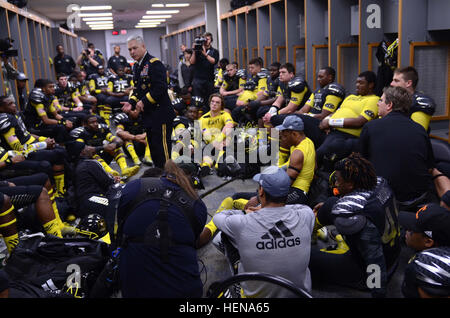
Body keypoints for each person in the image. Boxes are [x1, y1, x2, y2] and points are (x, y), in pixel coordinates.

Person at [213, 166, 315, 297]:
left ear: (261, 191)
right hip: (300, 295)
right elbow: (301, 207)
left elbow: (218, 217)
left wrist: (246, 212)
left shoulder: (243, 223)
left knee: (222, 236)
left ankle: (238, 288)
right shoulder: (306, 215)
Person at [309, 153, 401, 298]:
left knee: (307, 257)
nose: (336, 184)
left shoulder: (360, 216)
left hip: (366, 271)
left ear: (351, 184)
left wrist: (378, 292)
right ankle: (310, 233)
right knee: (329, 204)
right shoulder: (380, 183)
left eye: (339, 180)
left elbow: (375, 260)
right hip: (393, 250)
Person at [117, 160, 207, 298]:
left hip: (133, 287)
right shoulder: (198, 207)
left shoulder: (134, 187)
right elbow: (193, 241)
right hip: (183, 291)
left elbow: (121, 229)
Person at [359, 86, 434, 209]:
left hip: (383, 199)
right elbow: (429, 167)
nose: (377, 104)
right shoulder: (420, 129)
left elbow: (360, 163)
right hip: (417, 198)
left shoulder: (370, 127)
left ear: (389, 105)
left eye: (381, 101)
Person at [121, 35, 176, 169]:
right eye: (129, 50)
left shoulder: (154, 63)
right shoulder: (136, 67)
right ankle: (160, 178)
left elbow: (161, 87)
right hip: (148, 116)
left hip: (161, 114)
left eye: (134, 48)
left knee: (163, 152)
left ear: (143, 47)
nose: (132, 52)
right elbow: (137, 89)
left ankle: (169, 178)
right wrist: (131, 102)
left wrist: (144, 101)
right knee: (154, 150)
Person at [315, 71, 379, 167]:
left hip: (346, 135)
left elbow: (359, 122)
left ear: (371, 85)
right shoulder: (350, 97)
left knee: (319, 153)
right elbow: (336, 112)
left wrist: (330, 122)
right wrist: (326, 119)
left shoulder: (374, 100)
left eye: (361, 83)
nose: (357, 85)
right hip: (330, 129)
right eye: (356, 82)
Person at [70, 114, 140, 179]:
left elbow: (118, 140)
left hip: (102, 155)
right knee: (92, 153)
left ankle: (125, 169)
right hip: (86, 161)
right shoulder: (80, 133)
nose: (96, 124)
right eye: (92, 122)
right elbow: (84, 150)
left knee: (116, 148)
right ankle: (110, 172)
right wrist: (104, 147)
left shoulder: (102, 128)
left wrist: (114, 144)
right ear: (85, 124)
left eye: (96, 122)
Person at [275, 116, 316, 205]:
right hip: (297, 190)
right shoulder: (308, 142)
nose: (282, 137)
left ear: (294, 134)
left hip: (296, 192)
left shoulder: (298, 152)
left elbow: (286, 183)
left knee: (258, 204)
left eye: (285, 135)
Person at [261, 63, 311, 128]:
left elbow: (291, 108)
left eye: (283, 72)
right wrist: (270, 112)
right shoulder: (283, 83)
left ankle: (275, 138)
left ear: (291, 74)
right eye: (280, 72)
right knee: (264, 116)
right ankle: (263, 138)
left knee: (273, 120)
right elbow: (279, 100)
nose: (280, 75)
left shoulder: (297, 84)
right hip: (289, 111)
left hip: (300, 112)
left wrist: (273, 115)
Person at [23, 79, 73, 143]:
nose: (53, 88)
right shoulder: (38, 100)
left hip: (41, 124)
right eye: (50, 87)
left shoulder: (48, 98)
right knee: (60, 128)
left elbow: (56, 115)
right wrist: (63, 123)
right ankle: (60, 145)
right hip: (34, 127)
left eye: (53, 86)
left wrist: (66, 121)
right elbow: (46, 120)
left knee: (70, 122)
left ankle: (67, 143)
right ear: (43, 89)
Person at [390, 66, 436, 131]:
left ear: (408, 83)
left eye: (396, 81)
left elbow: (416, 133)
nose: (391, 84)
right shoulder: (392, 98)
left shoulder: (421, 101)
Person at [198, 94, 235, 175]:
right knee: (207, 155)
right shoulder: (203, 118)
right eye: (212, 102)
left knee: (219, 164)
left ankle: (218, 164)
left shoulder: (224, 114)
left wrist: (219, 140)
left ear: (221, 105)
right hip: (211, 144)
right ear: (209, 103)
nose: (214, 104)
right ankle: (206, 166)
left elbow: (229, 125)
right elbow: (207, 136)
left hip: (222, 142)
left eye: (217, 102)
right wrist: (215, 143)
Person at [189, 32, 220, 107]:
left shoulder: (214, 51)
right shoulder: (197, 51)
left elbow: (213, 61)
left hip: (209, 80)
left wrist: (205, 54)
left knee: (208, 100)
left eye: (208, 39)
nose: (206, 41)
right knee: (198, 100)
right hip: (198, 79)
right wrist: (194, 51)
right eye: (204, 39)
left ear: (211, 40)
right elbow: (192, 62)